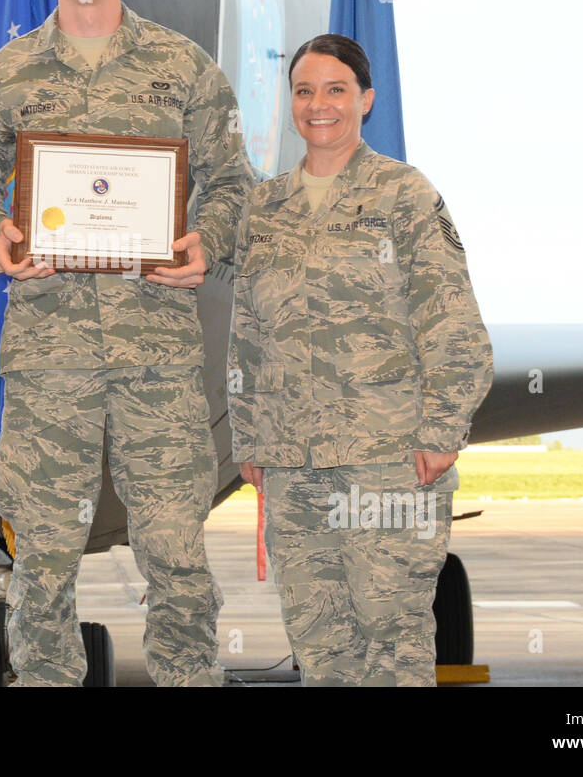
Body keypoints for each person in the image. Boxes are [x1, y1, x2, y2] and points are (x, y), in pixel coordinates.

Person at [0, 0, 252, 687]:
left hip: (157, 353)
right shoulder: (7, 75)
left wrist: (204, 241)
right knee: (43, 561)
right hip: (50, 358)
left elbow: (232, 184)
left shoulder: (184, 68)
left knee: (176, 553)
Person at [228, 34, 492, 686]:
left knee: (392, 650)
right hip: (294, 474)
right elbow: (247, 338)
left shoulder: (404, 197)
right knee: (321, 654)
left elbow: (457, 329)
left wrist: (439, 433)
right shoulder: (266, 209)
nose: (320, 104)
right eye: (305, 90)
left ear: (365, 100)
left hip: (388, 467)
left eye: (336, 89)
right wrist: (249, 436)